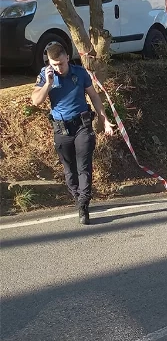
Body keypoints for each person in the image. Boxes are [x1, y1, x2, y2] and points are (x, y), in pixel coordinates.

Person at [30, 42, 116, 224]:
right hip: (61, 129)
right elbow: (36, 101)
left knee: (83, 166)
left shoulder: (80, 73)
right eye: (54, 64)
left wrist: (105, 120)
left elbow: (94, 96)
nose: (58, 68)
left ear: (67, 57)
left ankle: (84, 205)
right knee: (69, 172)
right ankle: (79, 198)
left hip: (82, 125)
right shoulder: (45, 76)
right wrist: (49, 84)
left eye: (61, 63)